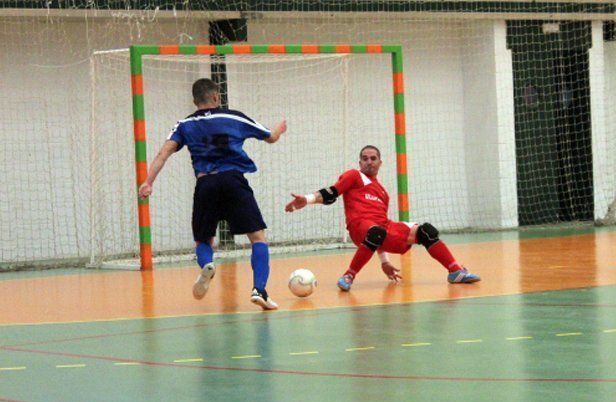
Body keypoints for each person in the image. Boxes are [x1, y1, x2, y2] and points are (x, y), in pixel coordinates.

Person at [138, 78, 287, 310]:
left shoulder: (184, 125)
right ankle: (259, 289)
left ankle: (207, 264)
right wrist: (279, 128)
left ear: (194, 100)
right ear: (217, 97)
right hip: (233, 181)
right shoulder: (233, 117)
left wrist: (148, 182)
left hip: (205, 184)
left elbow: (163, 153)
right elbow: (271, 137)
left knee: (203, 239)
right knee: (257, 238)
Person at [285, 146, 480, 290]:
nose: (369, 161)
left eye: (373, 158)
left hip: (381, 228)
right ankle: (349, 276)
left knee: (427, 231)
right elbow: (331, 193)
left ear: (380, 162)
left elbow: (381, 234)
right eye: (364, 158)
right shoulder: (354, 176)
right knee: (376, 231)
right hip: (358, 226)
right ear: (360, 162)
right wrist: (308, 199)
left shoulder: (383, 193)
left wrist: (384, 262)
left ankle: (455, 272)